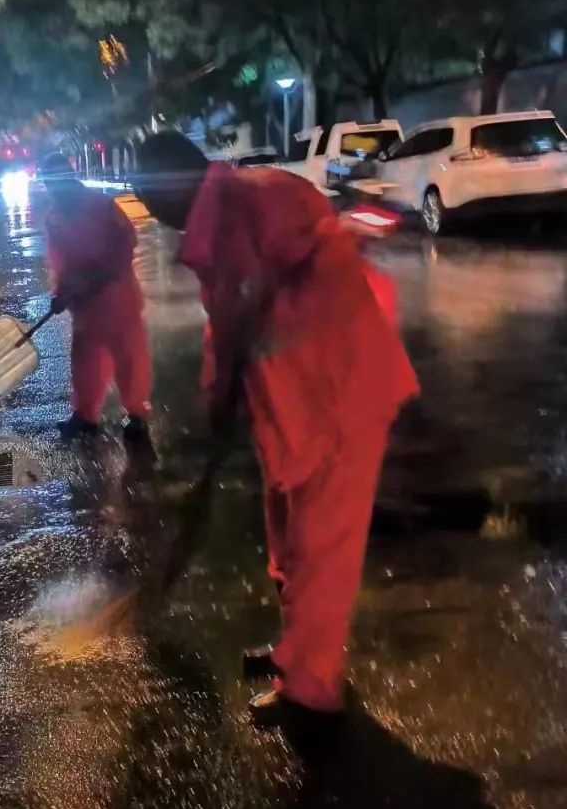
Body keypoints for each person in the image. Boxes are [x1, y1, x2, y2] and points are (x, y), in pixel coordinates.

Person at [134, 131, 418, 724]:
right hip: (291, 408)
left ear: (178, 185)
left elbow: (285, 269)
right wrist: (219, 393)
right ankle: (295, 650)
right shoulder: (214, 222)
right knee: (290, 539)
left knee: (322, 551)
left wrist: (257, 299)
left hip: (340, 397)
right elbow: (226, 321)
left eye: (155, 202)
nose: (160, 219)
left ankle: (310, 689)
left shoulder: (261, 199)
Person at [38, 152, 152, 441]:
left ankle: (137, 415)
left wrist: (100, 275)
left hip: (118, 299)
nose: (55, 187)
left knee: (130, 361)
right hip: (85, 308)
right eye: (49, 182)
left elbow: (126, 242)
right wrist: (60, 294)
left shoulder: (101, 205)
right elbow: (59, 263)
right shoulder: (54, 219)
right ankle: (85, 415)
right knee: (85, 363)